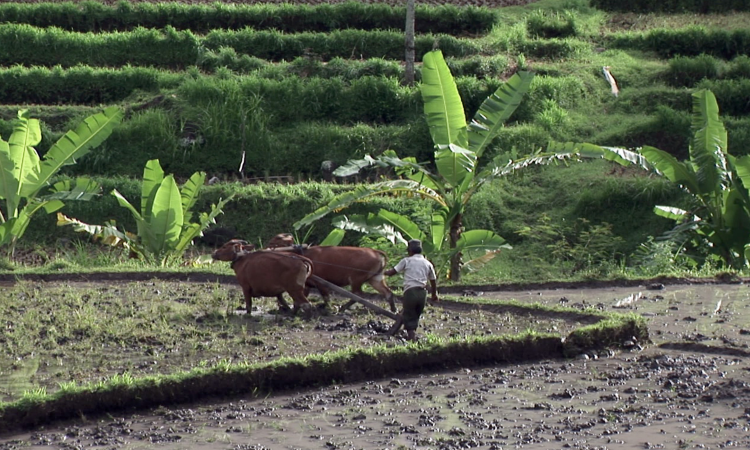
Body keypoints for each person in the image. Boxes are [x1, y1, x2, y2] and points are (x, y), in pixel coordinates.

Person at [384, 239, 438, 341]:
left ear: (410, 251)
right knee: (416, 315)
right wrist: (434, 295)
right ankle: (411, 337)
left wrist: (382, 272)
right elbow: (433, 280)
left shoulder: (407, 261)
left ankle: (412, 339)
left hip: (410, 292)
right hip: (423, 293)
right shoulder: (428, 263)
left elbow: (392, 272)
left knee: (409, 315)